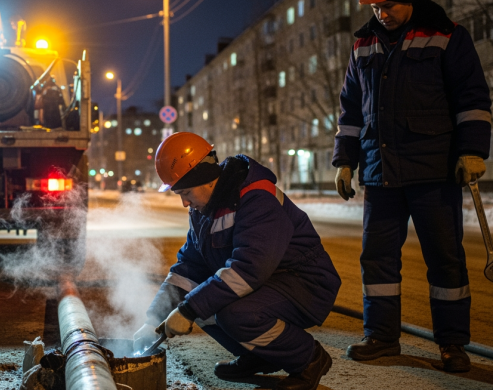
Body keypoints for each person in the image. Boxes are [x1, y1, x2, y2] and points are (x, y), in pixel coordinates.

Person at [332, 0, 492, 373]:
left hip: (433, 171)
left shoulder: (446, 35)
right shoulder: (363, 44)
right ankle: (382, 337)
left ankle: (452, 344)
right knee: (377, 259)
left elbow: (472, 99)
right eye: (376, 7)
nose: (382, 14)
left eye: (389, 5)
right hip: (380, 172)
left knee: (444, 258)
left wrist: (473, 151)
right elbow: (350, 109)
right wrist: (344, 160)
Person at [134, 132, 341, 390]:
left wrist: (188, 310)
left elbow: (249, 269)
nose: (184, 202)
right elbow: (189, 268)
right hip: (271, 282)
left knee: (232, 313)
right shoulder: (205, 209)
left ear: (205, 178)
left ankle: (308, 359)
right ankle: (257, 356)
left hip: (304, 283)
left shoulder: (256, 197)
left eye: (185, 192)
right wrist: (153, 319)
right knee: (201, 300)